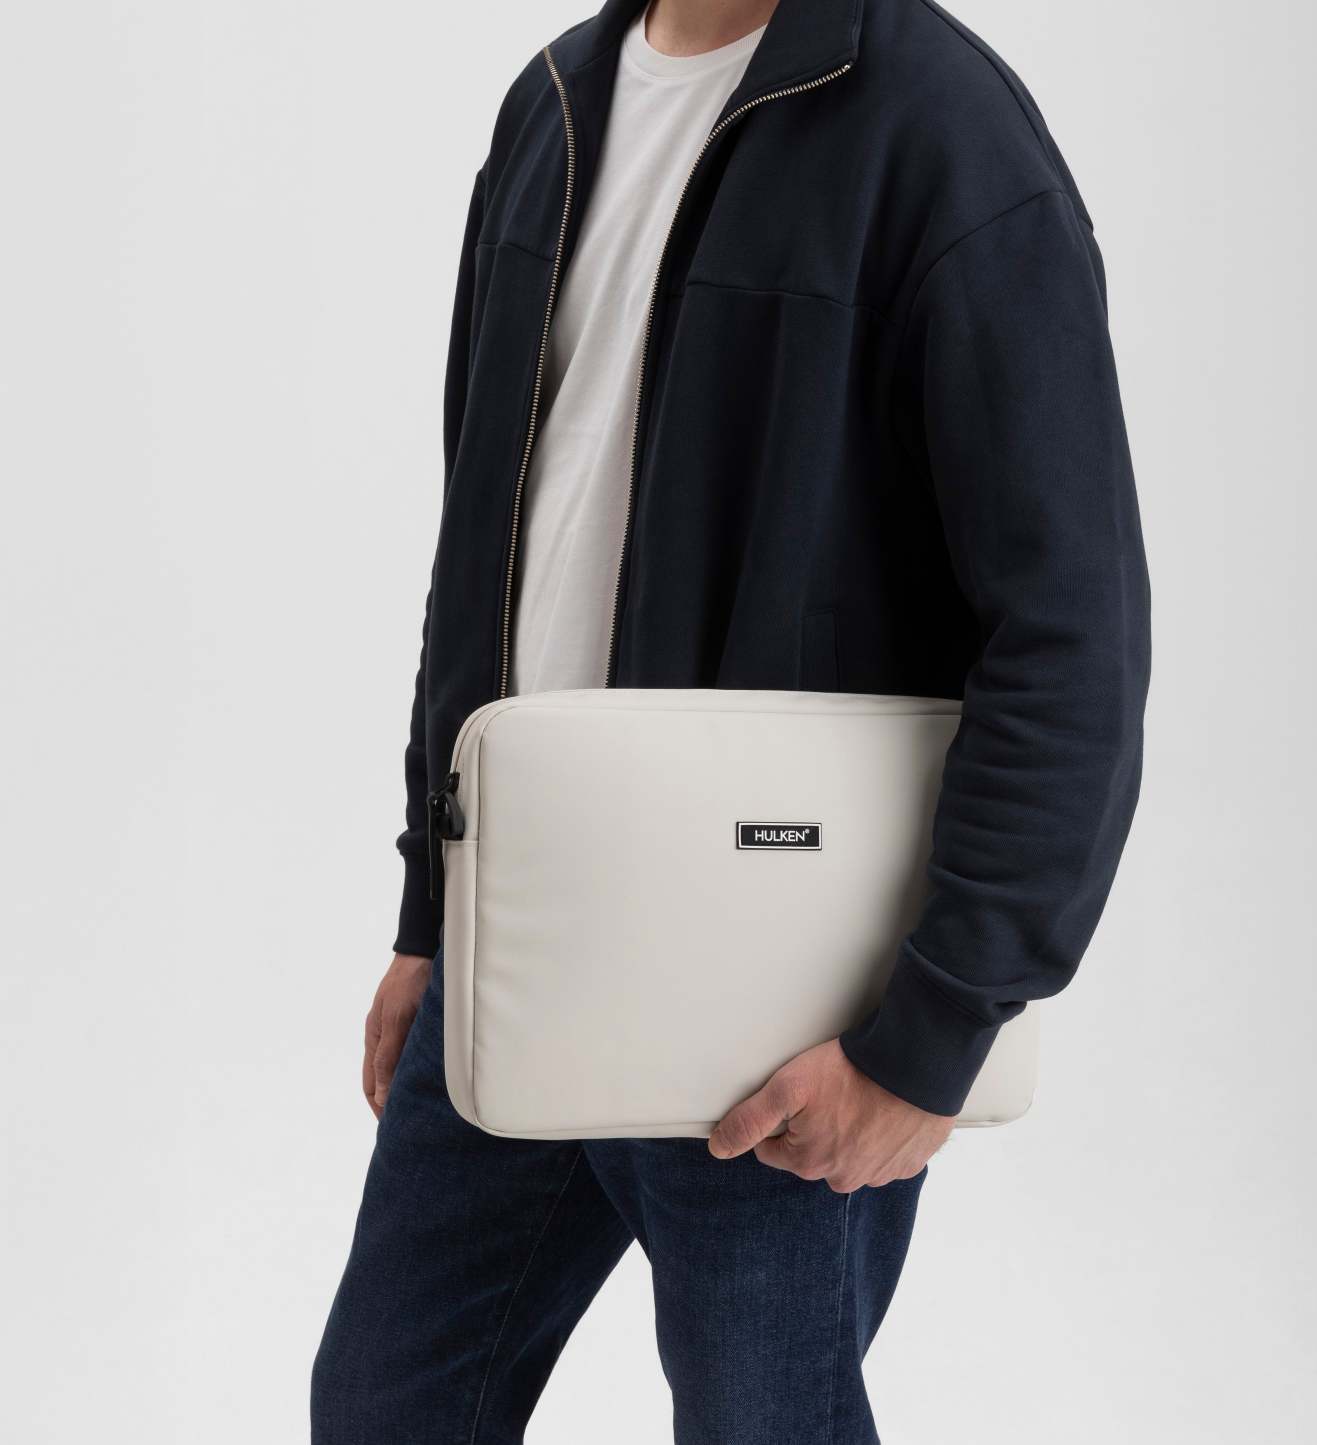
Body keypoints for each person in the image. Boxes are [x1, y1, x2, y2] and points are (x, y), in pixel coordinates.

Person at [311, 0, 1149, 1439]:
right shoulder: (553, 105)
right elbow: (484, 552)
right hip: (521, 940)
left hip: (773, 1005)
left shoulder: (937, 125)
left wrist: (930, 1035)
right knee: (388, 1402)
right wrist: (429, 910)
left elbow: (1073, 627)